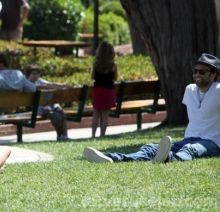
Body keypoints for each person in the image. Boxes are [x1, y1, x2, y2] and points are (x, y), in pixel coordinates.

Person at [84, 53, 220, 163]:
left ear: (213, 75)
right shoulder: (189, 90)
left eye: (202, 72)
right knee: (150, 148)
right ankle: (112, 158)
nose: (197, 74)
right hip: (189, 138)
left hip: (212, 142)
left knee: (190, 150)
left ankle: (169, 159)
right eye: (195, 71)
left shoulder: (218, 90)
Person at [25, 64, 69, 140]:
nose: (36, 76)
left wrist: (62, 85)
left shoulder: (39, 81)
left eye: (38, 74)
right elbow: (41, 87)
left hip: (50, 105)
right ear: (28, 74)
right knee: (54, 115)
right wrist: (56, 87)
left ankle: (65, 135)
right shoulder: (27, 83)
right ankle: (59, 135)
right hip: (40, 108)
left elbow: (49, 84)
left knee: (61, 112)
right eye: (34, 74)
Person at [91, 41, 118, 138]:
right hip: (108, 91)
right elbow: (115, 78)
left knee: (95, 115)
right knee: (105, 116)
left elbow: (92, 77)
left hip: (97, 90)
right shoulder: (113, 65)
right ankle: (102, 135)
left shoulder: (96, 64)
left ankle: (93, 135)